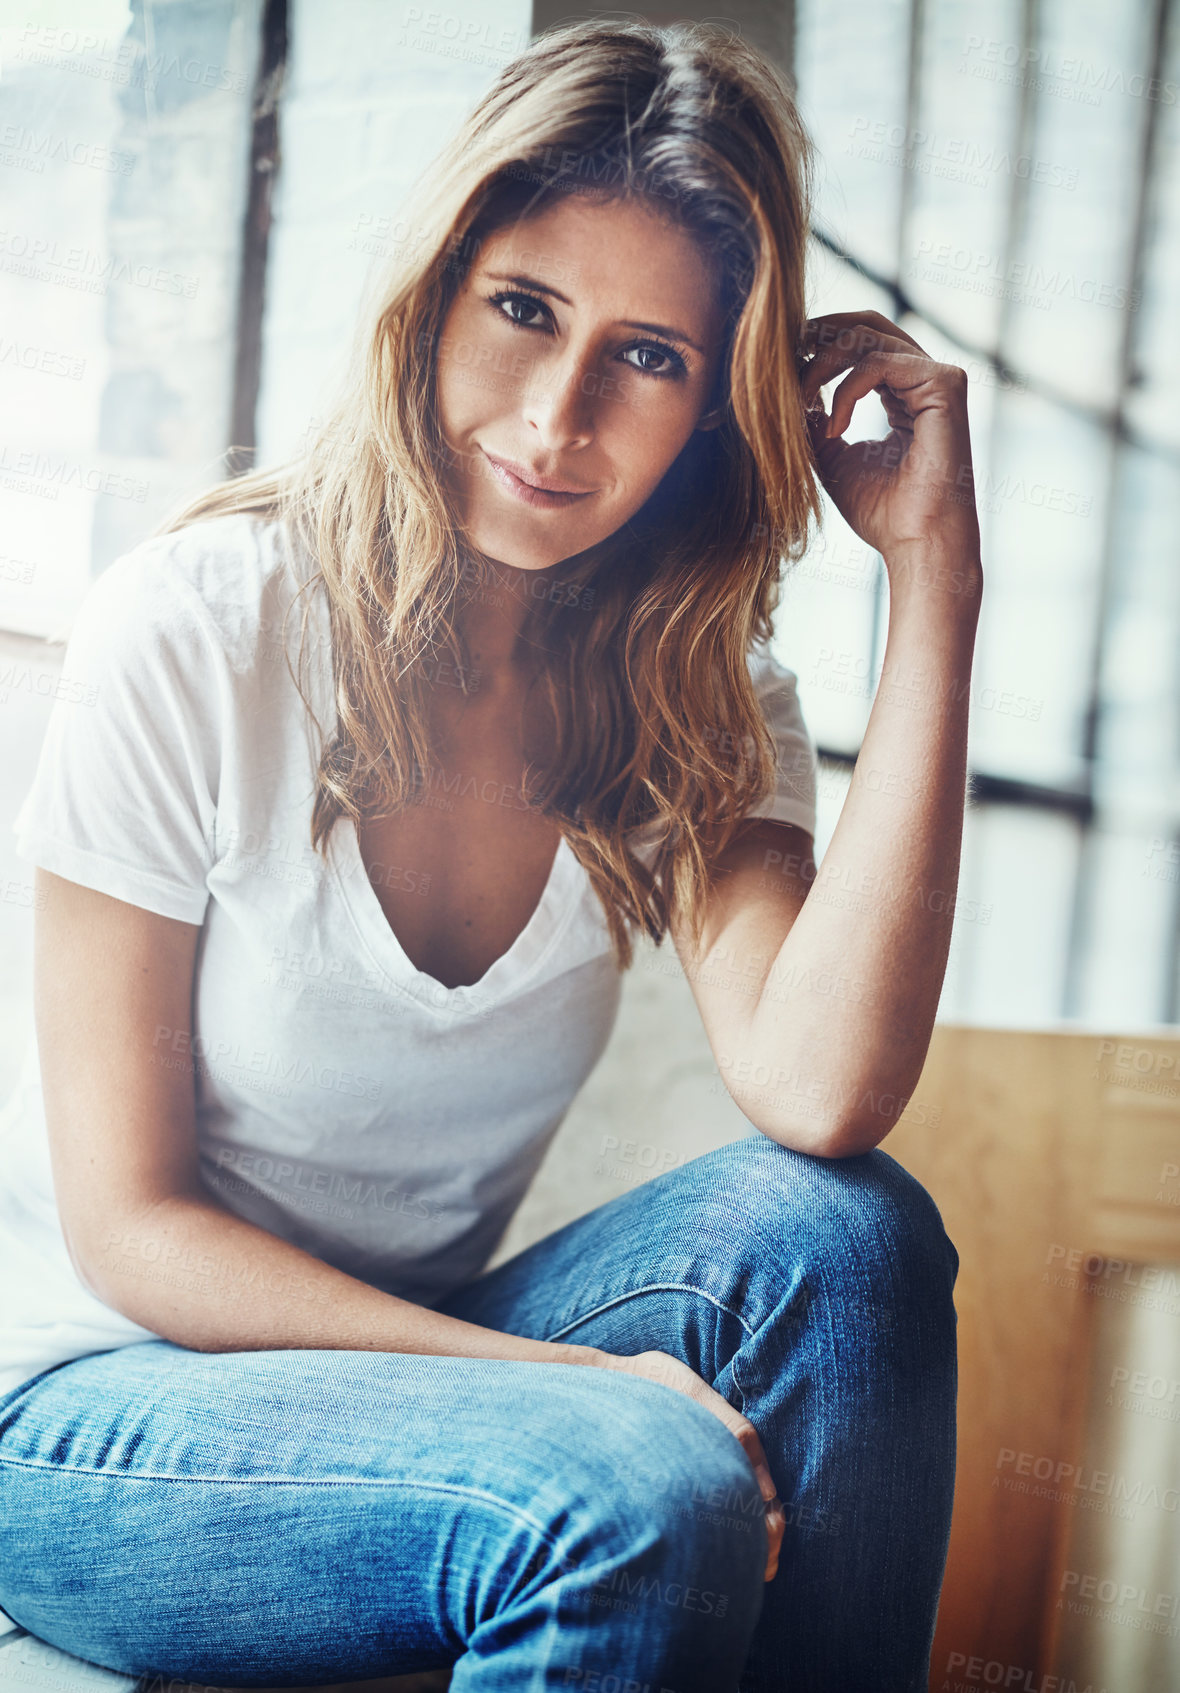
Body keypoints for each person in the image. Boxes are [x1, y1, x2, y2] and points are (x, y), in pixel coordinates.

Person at [0, 19, 979, 1693]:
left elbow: (820, 1095)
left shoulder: (699, 692)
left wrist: (935, 588)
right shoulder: (203, 625)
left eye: (651, 356)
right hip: (95, 1401)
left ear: (719, 410)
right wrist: (558, 1391)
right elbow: (131, 1224)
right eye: (524, 309)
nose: (556, 414)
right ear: (438, 294)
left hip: (415, 1381)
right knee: (631, 1484)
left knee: (851, 1241)